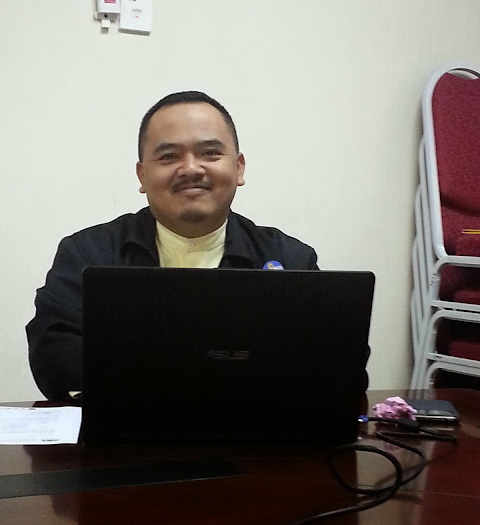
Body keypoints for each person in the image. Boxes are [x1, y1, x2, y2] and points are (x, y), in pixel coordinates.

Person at [26, 91, 321, 401]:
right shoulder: (88, 254)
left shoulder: (290, 258)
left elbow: (326, 364)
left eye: (210, 153)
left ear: (238, 168)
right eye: (168, 156)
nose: (190, 169)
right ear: (142, 175)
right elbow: (54, 356)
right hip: (127, 427)